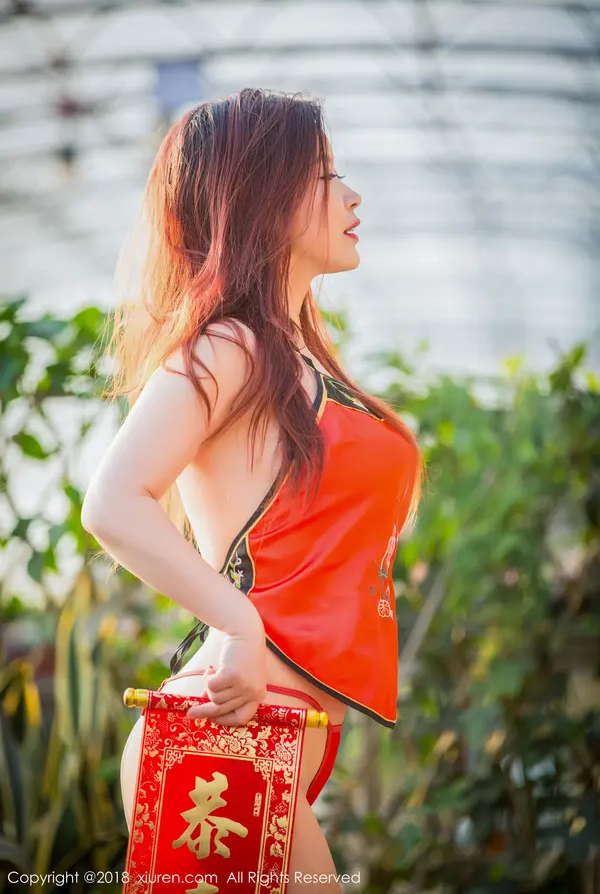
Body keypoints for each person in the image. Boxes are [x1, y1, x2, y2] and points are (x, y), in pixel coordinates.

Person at [81, 88, 424, 890]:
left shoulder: (292, 361)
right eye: (326, 176)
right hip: (225, 730)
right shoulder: (231, 347)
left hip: (267, 728)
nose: (352, 196)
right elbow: (113, 502)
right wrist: (236, 622)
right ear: (262, 196)